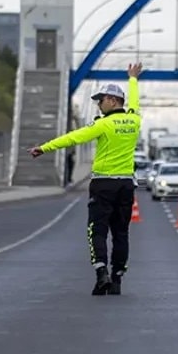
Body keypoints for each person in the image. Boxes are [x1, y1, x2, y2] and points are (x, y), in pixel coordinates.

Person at [28, 63, 143, 296]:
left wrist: (44, 148)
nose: (98, 106)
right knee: (121, 233)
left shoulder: (103, 124)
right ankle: (118, 277)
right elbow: (135, 103)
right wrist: (133, 79)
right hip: (126, 185)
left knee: (97, 231)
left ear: (112, 100)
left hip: (103, 184)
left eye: (100, 101)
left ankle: (102, 273)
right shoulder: (134, 120)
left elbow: (73, 138)